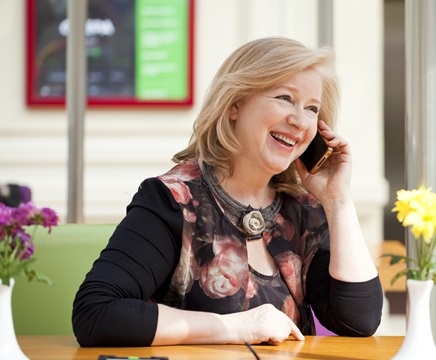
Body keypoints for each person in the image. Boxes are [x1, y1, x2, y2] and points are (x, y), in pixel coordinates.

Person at [72, 37, 383, 347]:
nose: (299, 120)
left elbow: (358, 321)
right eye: (285, 98)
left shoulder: (304, 211)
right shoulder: (174, 199)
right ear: (235, 104)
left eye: (312, 108)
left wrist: (337, 200)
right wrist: (235, 327)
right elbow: (96, 313)